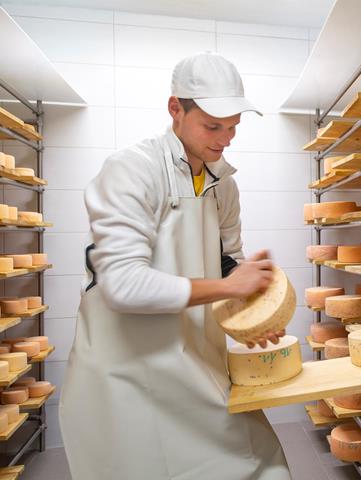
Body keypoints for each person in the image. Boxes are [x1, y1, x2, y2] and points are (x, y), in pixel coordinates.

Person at [59, 52, 291, 480]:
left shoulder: (224, 184)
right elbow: (123, 285)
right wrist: (230, 288)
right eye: (212, 126)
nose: (225, 139)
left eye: (233, 127)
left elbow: (227, 264)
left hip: (195, 363)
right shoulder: (132, 170)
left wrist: (252, 313)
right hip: (126, 374)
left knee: (262, 466)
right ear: (175, 110)